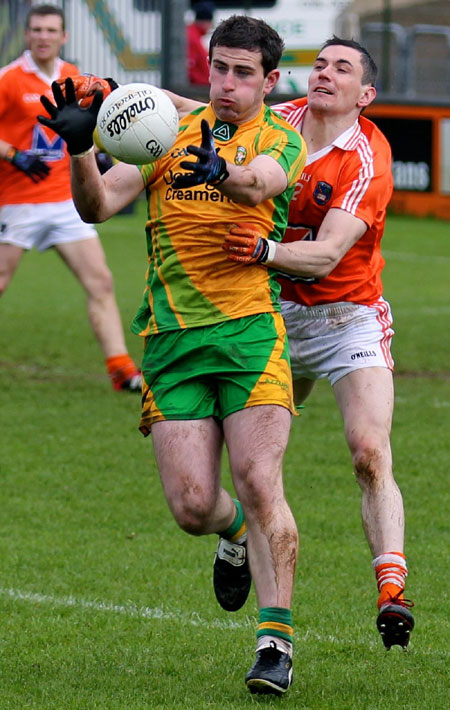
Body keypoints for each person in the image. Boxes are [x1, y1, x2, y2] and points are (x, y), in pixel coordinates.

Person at [38, 15, 307, 695]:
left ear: (270, 81)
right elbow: (98, 207)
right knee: (193, 506)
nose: (227, 83)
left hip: (249, 336)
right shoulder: (165, 131)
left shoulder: (281, 136)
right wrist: (78, 150)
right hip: (171, 342)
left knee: (258, 476)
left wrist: (222, 173)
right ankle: (235, 531)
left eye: (244, 73)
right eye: (219, 68)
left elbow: (260, 184)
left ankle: (275, 641)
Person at [223, 37, 415, 651]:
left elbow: (329, 253)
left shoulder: (368, 158)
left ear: (366, 95)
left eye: (343, 68)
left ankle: (391, 585)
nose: (325, 73)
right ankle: (234, 535)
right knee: (257, 470)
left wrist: (265, 251)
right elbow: (201, 111)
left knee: (368, 450)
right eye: (321, 63)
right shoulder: (279, 123)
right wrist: (129, 104)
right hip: (270, 314)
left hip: (346, 319)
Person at [0, 4, 141, 392]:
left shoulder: (74, 78)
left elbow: (93, 129)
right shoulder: (9, 79)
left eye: (51, 30)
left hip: (65, 203)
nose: (43, 36)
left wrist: (102, 149)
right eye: (36, 30)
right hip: (17, 201)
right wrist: (14, 154)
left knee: (101, 281)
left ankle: (121, 369)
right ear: (27, 35)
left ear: (63, 36)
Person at [186, 2, 215, 86]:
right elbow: (190, 66)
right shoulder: (193, 38)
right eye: (210, 22)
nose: (211, 26)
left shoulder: (193, 34)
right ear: (206, 22)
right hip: (197, 86)